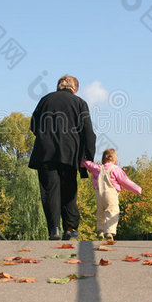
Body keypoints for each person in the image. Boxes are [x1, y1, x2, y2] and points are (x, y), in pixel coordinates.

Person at [28, 75, 96, 240]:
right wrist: (88, 157)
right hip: (69, 152)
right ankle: (70, 227)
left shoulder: (45, 100)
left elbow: (33, 125)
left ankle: (54, 229)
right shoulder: (79, 103)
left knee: (50, 191)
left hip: (45, 153)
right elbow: (88, 132)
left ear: (59, 86)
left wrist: (45, 136)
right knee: (68, 189)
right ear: (74, 88)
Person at [81, 149, 142, 240]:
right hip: (111, 194)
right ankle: (109, 232)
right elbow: (126, 182)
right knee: (112, 212)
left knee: (100, 212)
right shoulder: (116, 169)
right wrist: (137, 189)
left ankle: (100, 230)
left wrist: (82, 161)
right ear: (115, 160)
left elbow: (89, 164)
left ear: (103, 159)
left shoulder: (98, 168)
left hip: (99, 195)